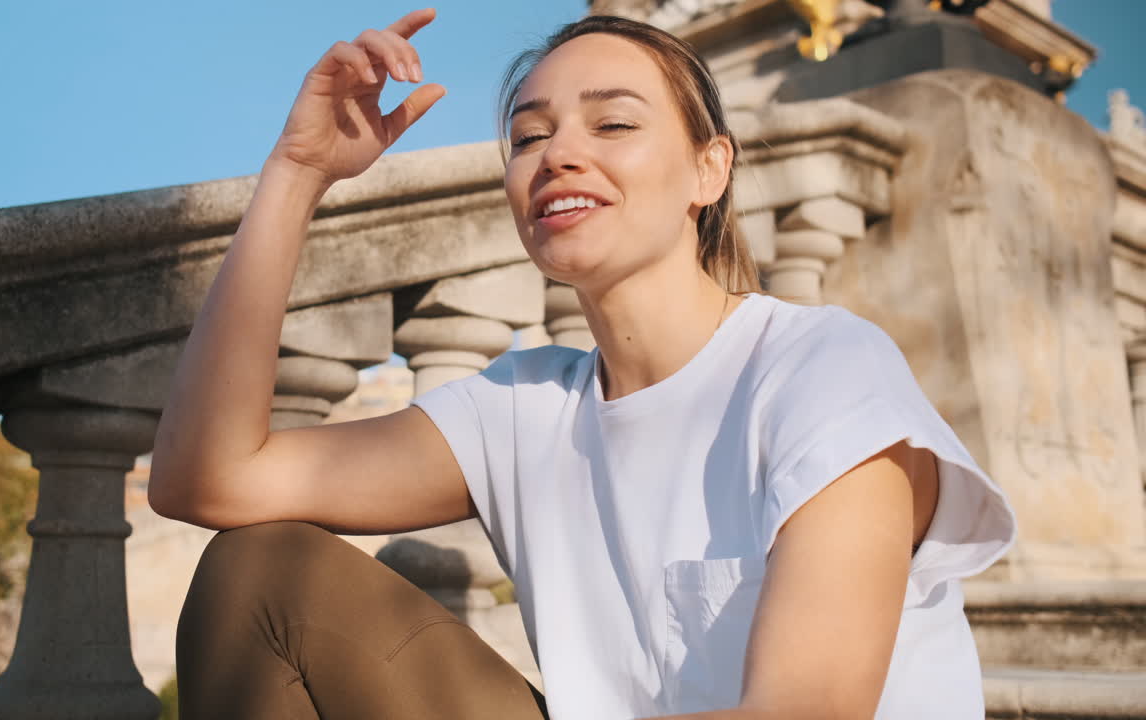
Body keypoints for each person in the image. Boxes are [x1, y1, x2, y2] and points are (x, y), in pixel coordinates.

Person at [148, 8, 1018, 720]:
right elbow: (209, 481)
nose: (560, 153)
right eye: (530, 136)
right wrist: (297, 175)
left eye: (613, 123)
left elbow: (806, 710)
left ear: (708, 171)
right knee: (256, 570)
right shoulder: (523, 409)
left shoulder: (821, 367)